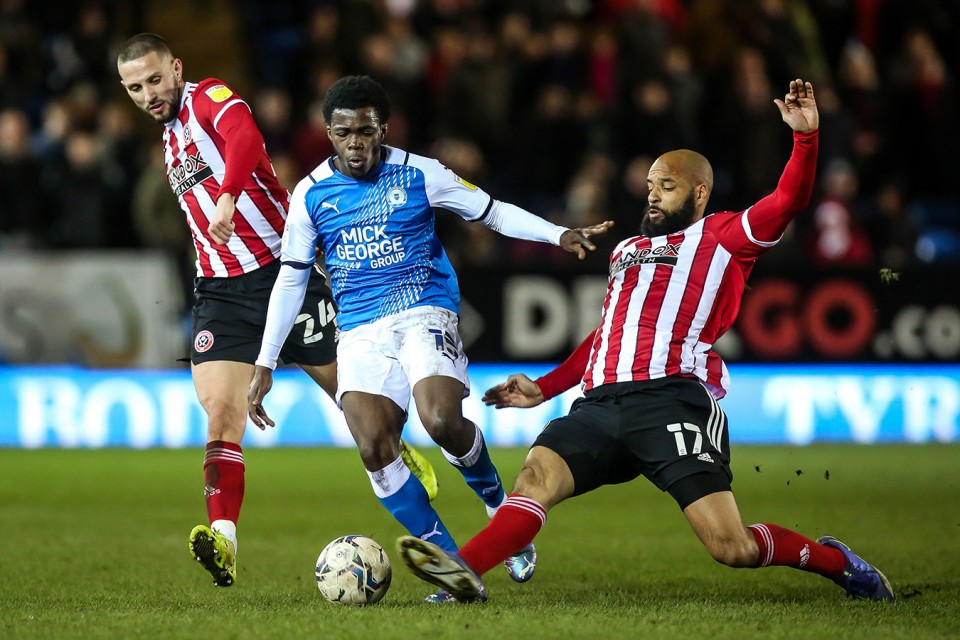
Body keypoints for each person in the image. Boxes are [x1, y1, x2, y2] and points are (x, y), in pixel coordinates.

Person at [396, 79, 895, 603]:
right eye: (651, 183)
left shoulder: (723, 236)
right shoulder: (627, 249)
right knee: (533, 480)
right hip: (599, 405)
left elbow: (787, 200)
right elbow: (608, 332)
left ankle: (838, 562)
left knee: (732, 547)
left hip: (671, 399)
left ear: (699, 192)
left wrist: (806, 139)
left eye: (668, 185)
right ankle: (462, 574)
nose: (653, 193)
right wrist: (545, 388)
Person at [247, 75, 613, 602]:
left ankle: (496, 503)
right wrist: (265, 361)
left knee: (440, 421)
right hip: (359, 330)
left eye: (366, 131)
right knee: (373, 444)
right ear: (328, 132)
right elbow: (291, 278)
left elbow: (491, 210)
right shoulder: (309, 196)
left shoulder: (421, 174)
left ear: (383, 130)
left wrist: (557, 233)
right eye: (344, 132)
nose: (356, 143)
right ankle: (450, 563)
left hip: (423, 311)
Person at [116, 35, 437, 588]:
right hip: (220, 293)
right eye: (134, 88)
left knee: (356, 401)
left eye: (153, 80)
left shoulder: (209, 97)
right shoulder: (169, 138)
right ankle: (224, 537)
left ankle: (401, 451)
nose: (148, 94)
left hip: (282, 274)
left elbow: (243, 135)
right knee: (221, 414)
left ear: (177, 68)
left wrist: (228, 194)